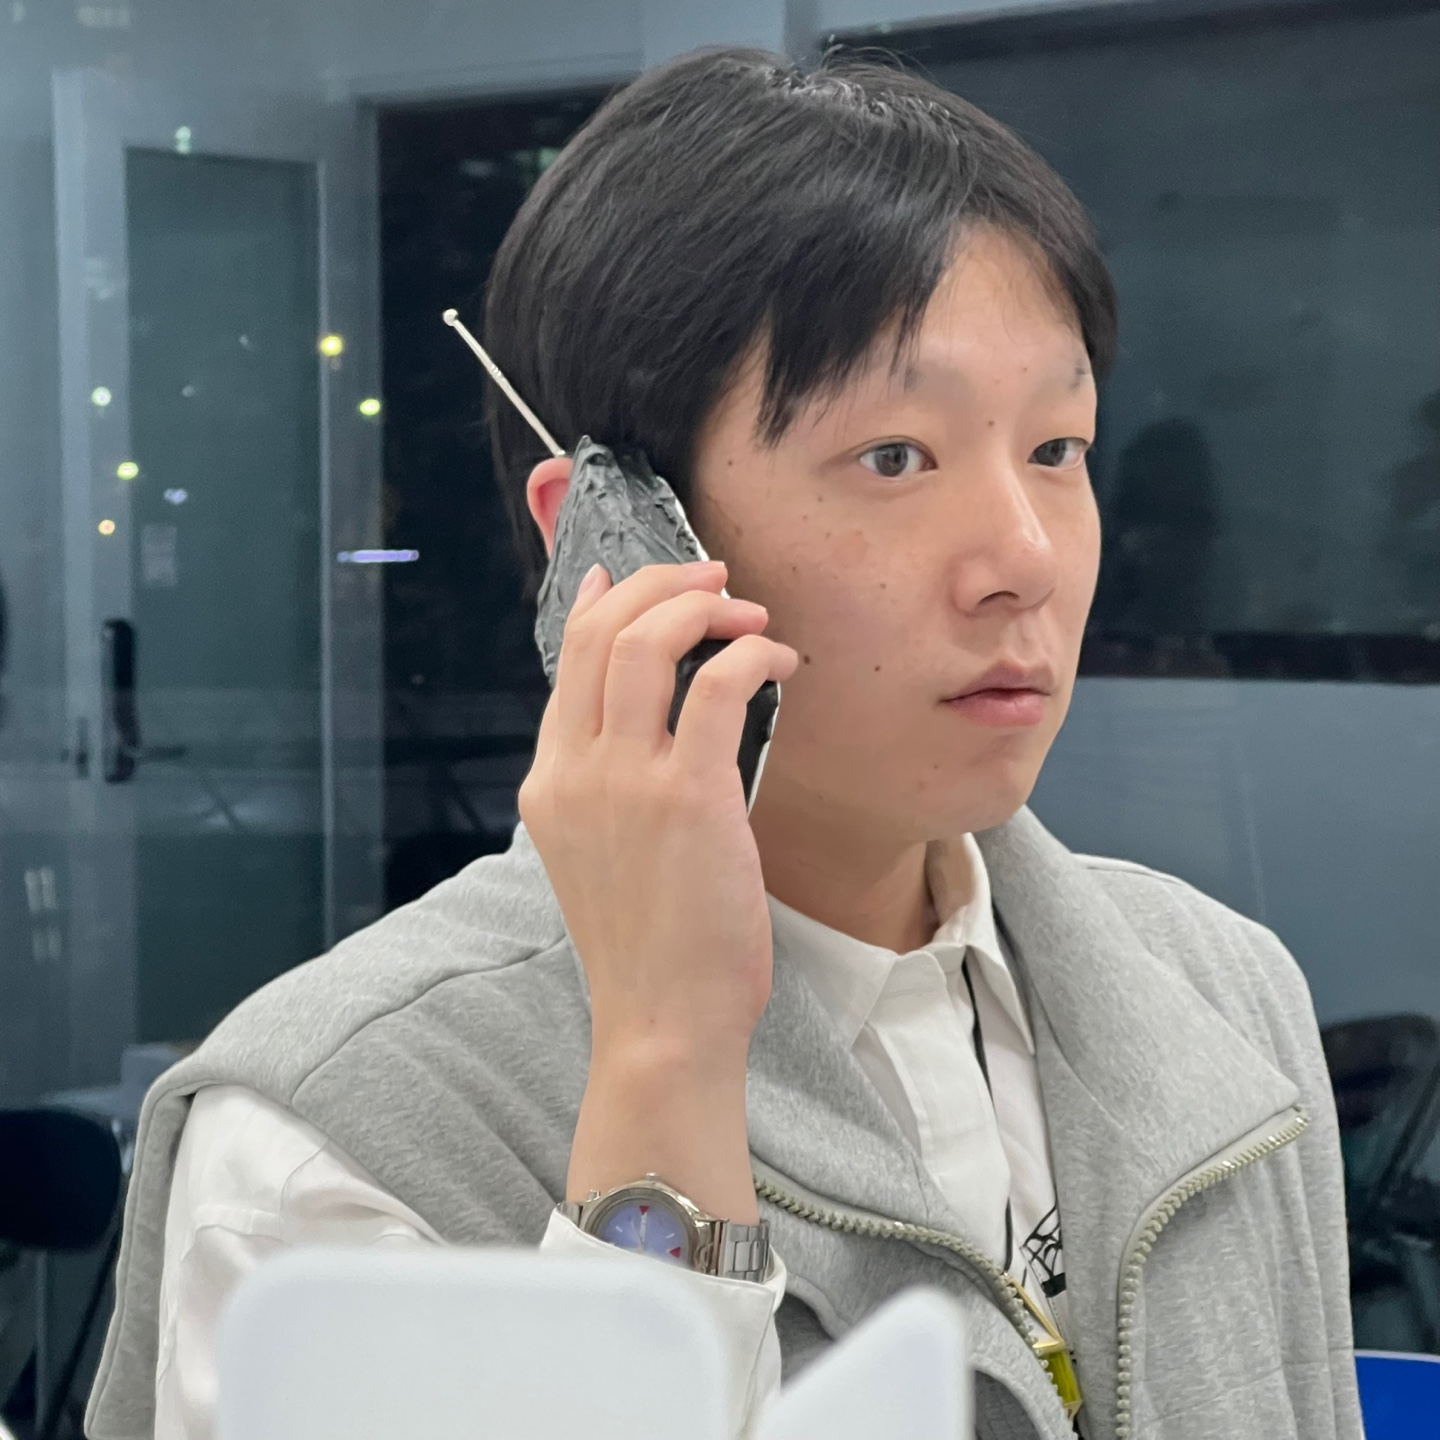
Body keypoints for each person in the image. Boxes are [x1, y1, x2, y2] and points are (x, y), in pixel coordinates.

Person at [87, 48, 1361, 1440]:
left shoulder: (1217, 995)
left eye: (1058, 450)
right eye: (895, 457)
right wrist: (663, 1059)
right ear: (610, 543)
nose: (1025, 561)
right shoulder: (339, 1130)